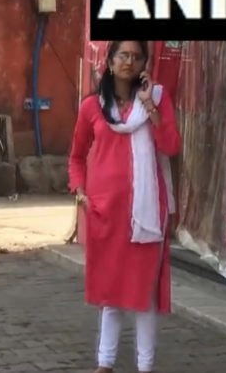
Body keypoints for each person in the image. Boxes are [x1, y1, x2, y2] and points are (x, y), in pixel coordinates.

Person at [68, 41, 181, 373]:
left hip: (147, 214)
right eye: (123, 56)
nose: (129, 62)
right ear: (110, 61)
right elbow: (76, 156)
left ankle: (145, 366)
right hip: (106, 213)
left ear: (144, 63)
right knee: (111, 292)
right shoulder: (92, 106)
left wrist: (150, 106)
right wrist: (80, 191)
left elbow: (171, 146)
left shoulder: (156, 99)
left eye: (136, 56)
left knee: (144, 295)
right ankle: (105, 364)